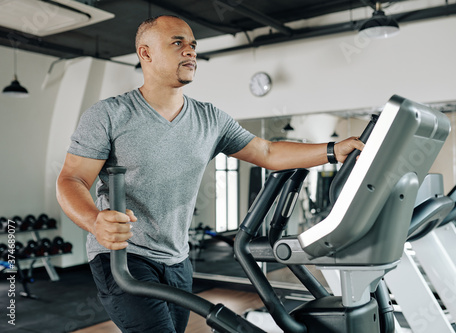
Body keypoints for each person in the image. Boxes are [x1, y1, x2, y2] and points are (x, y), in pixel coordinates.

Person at [56, 15, 364, 333]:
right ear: (145, 53)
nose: (190, 52)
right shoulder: (109, 115)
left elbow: (267, 153)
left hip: (177, 258)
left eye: (193, 45)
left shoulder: (210, 119)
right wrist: (95, 221)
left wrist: (332, 151)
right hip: (123, 255)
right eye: (178, 43)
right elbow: (71, 179)